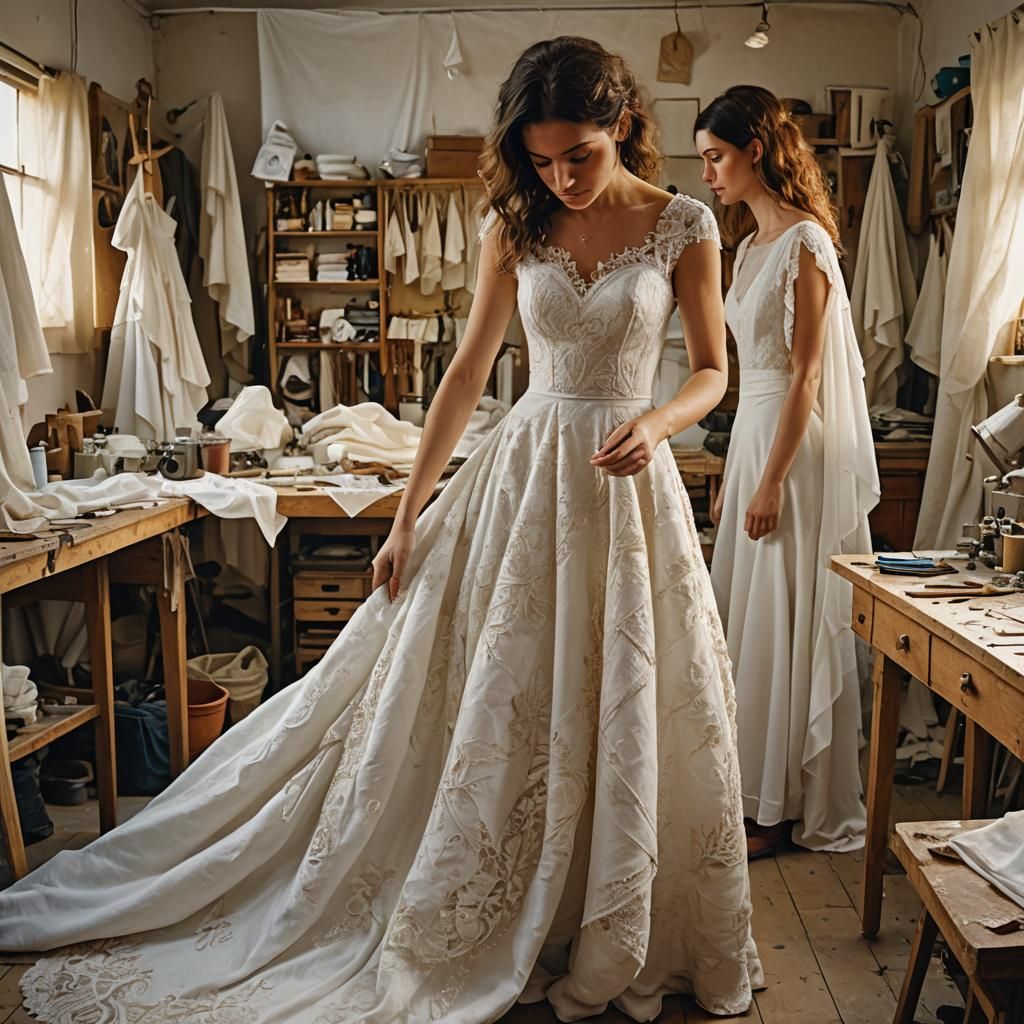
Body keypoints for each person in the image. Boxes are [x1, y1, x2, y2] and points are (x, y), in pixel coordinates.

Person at [0, 39, 762, 1022]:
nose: (561, 177)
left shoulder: (683, 223)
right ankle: (491, 894)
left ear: (620, 126)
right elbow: (462, 374)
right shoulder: (513, 223)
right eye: (540, 159)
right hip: (521, 476)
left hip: (625, 480)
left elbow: (710, 368)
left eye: (578, 154)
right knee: (498, 697)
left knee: (622, 694)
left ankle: (601, 912)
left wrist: (657, 421)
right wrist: (404, 518)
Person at [698, 86, 879, 859]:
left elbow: (806, 374)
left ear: (757, 151)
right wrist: (741, 464)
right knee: (746, 619)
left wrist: (771, 479)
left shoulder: (807, 242)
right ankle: (748, 790)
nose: (708, 173)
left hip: (793, 453)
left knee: (779, 617)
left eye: (716, 157)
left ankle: (778, 807)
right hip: (753, 439)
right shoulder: (746, 248)